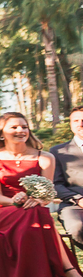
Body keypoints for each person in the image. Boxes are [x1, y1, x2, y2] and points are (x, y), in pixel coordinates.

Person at [0, 112, 83, 277]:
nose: (20, 131)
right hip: (0, 210)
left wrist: (35, 199)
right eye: (14, 127)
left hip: (34, 208)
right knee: (37, 214)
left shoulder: (45, 158)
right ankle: (72, 275)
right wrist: (15, 201)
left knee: (38, 212)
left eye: (24, 127)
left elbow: (47, 196)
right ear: (1, 133)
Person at [50, 105, 83, 249]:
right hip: (74, 205)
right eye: (76, 121)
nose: (80, 124)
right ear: (71, 125)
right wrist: (79, 199)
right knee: (77, 228)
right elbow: (55, 184)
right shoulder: (58, 151)